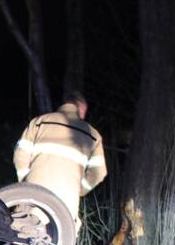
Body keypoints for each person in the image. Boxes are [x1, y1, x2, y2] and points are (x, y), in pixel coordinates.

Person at [12, 91, 107, 229]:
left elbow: (20, 155)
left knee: (21, 233)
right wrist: (80, 190)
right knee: (61, 237)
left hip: (33, 197)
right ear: (81, 109)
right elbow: (99, 173)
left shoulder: (39, 122)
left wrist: (26, 181)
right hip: (66, 205)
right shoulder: (93, 135)